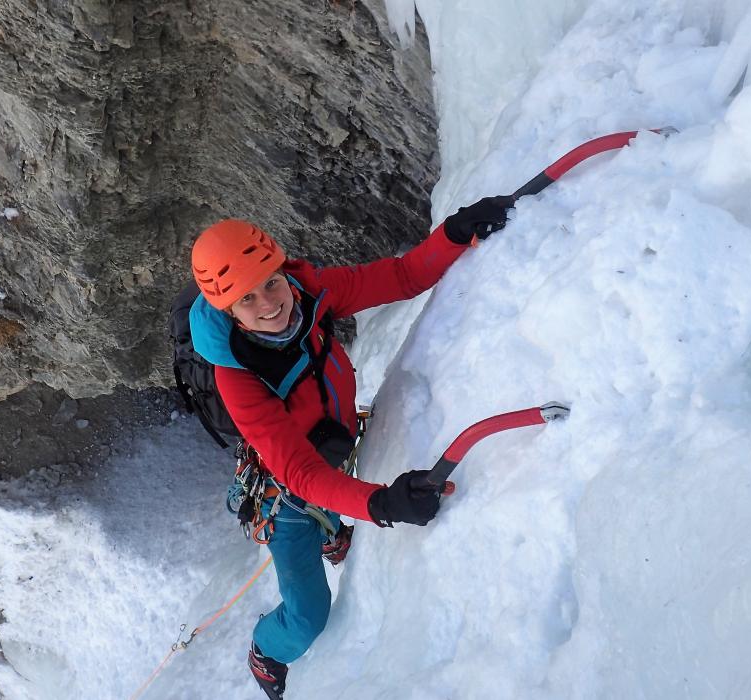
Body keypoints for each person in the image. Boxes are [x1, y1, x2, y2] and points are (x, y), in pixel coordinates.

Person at [187, 196, 513, 700]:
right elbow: (298, 472)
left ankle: (332, 532)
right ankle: (266, 650)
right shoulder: (238, 375)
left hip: (328, 454)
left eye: (271, 283)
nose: (270, 304)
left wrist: (453, 232)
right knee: (308, 616)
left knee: (334, 509)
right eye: (246, 301)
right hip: (287, 498)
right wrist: (381, 504)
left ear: (281, 269)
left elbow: (400, 277)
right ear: (226, 311)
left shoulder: (309, 292)